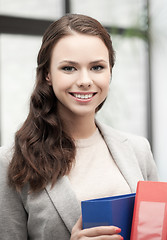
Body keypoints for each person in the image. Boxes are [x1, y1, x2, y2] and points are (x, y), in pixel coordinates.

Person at [0, 14, 158, 240]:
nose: (85, 80)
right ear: (47, 75)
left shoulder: (138, 150)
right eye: (68, 68)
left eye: (97, 67)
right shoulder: (10, 161)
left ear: (110, 72)